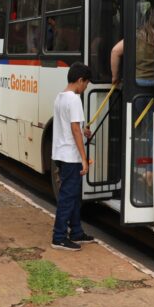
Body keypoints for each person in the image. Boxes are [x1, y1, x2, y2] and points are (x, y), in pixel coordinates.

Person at [51, 62, 95, 251]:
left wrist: (83, 130)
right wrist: (84, 159)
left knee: (74, 196)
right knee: (68, 197)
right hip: (70, 156)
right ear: (80, 80)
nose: (85, 88)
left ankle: (76, 231)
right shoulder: (75, 99)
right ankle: (59, 237)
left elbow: (72, 126)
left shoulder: (60, 97)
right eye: (86, 84)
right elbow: (75, 129)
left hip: (60, 153)